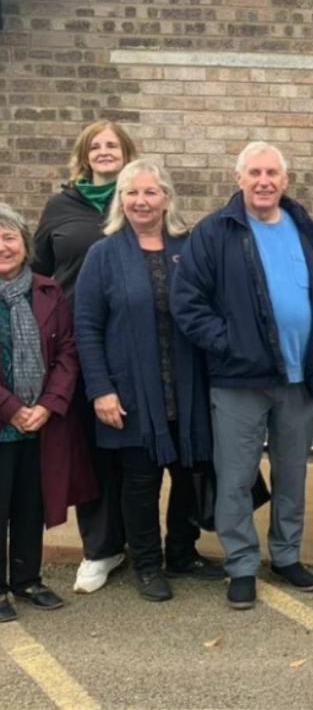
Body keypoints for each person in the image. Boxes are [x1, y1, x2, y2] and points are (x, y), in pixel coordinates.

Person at [170, 142, 313, 610]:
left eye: (272, 173)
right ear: (239, 178)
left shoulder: (305, 230)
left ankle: (286, 556)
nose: (264, 181)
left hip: (297, 379)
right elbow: (187, 302)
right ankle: (241, 564)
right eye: (255, 173)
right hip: (238, 380)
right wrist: (230, 344)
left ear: (285, 181)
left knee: (292, 474)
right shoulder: (214, 232)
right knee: (236, 477)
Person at [76, 160, 227, 603]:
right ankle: (146, 563)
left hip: (187, 389)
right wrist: (100, 389)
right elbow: (86, 327)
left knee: (188, 476)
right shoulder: (103, 255)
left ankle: (182, 552)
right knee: (139, 484)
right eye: (131, 193)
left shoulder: (190, 245)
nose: (141, 201)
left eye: (150, 192)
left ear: (166, 197)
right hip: (132, 393)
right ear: (121, 200)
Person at [34, 119, 139, 594]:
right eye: (95, 145)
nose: (103, 151)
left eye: (112, 145)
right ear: (84, 154)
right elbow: (37, 269)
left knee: (131, 448)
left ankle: (142, 543)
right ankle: (100, 547)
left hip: (131, 344)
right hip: (74, 345)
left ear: (126, 152)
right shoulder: (61, 206)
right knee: (88, 451)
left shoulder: (140, 199)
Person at [0, 204, 93, 620]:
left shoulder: (48, 290)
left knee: (29, 506)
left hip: (40, 424)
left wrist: (48, 406)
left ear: (24, 243)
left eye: (9, 237)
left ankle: (27, 580)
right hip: (5, 421)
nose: (3, 247)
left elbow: (68, 352)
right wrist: (13, 408)